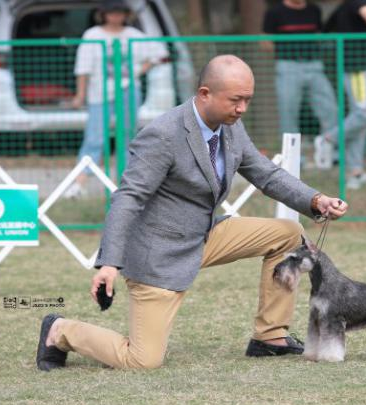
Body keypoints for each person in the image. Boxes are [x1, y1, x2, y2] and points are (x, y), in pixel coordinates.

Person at [35, 55, 349, 371]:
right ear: (204, 94)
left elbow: (265, 173)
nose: (242, 109)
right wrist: (109, 263)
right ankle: (61, 330)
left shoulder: (231, 126)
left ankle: (270, 336)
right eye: (235, 100)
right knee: (142, 361)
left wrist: (316, 200)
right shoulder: (163, 134)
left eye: (247, 100)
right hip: (158, 254)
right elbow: (128, 197)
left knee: (288, 235)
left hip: (204, 235)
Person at [64, 0, 167, 198]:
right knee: (94, 137)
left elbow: (159, 54)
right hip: (99, 93)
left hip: (129, 91)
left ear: (125, 15)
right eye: (111, 12)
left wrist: (137, 71)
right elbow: (83, 68)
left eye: (120, 12)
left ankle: (125, 185)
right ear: (103, 14)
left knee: (128, 137)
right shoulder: (92, 35)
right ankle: (78, 184)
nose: (115, 16)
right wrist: (80, 94)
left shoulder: (135, 36)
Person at [314, 0, 366, 189]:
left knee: (360, 120)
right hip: (359, 69)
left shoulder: (344, 8)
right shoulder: (360, 4)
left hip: (364, 68)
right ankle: (328, 139)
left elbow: (328, 30)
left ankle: (356, 173)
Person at [262, 0, 338, 148]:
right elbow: (265, 42)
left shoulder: (314, 9)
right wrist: (285, 52)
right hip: (288, 67)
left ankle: (328, 151)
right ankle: (294, 157)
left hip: (315, 65)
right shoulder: (275, 12)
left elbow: (318, 34)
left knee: (330, 109)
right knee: (288, 113)